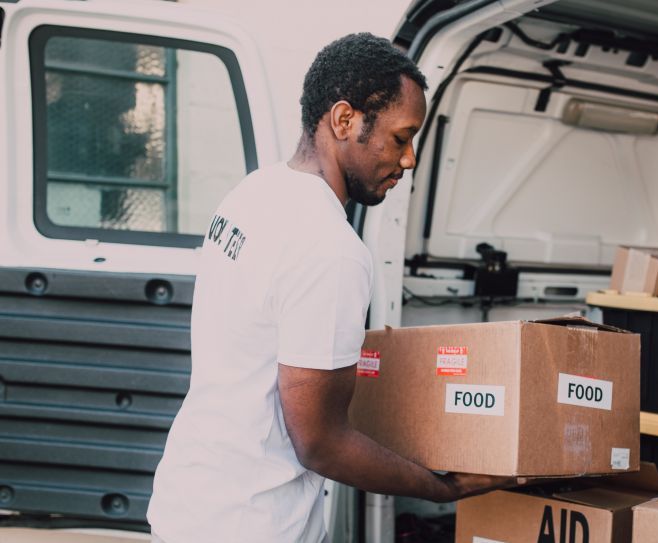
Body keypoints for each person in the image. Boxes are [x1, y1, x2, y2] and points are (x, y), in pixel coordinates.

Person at [147, 32, 519, 543]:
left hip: (188, 503)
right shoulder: (330, 249)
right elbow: (320, 443)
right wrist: (442, 487)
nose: (408, 160)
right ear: (344, 120)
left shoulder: (252, 193)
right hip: (252, 524)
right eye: (400, 138)